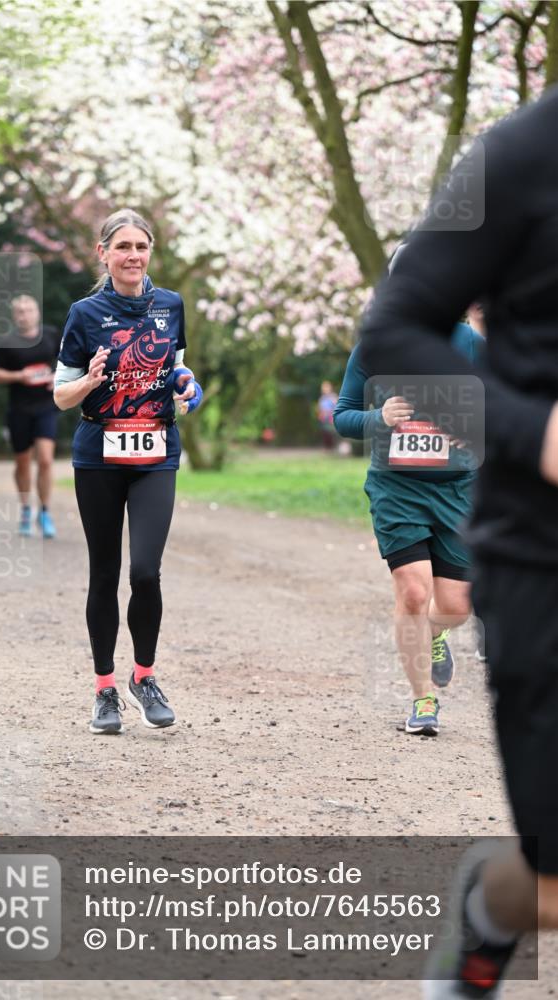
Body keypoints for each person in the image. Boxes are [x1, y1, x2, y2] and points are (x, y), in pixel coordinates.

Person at [358, 87, 558, 998]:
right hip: (535, 546)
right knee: (550, 886)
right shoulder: (520, 154)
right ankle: (494, 904)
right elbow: (393, 324)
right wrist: (532, 431)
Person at [53, 208, 202, 736]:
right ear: (104, 254)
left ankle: (145, 676)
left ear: (150, 251)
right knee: (104, 574)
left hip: (157, 452)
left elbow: (176, 366)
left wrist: (188, 386)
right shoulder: (84, 313)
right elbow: (61, 393)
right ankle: (104, 691)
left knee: (145, 572)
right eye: (123, 247)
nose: (133, 256)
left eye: (141, 246)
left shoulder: (170, 305)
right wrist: (90, 381)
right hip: (99, 454)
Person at [334, 252, 484, 737]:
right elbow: (343, 414)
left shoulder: (470, 344)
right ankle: (424, 700)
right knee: (414, 591)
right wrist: (380, 419)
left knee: (456, 605)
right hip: (397, 487)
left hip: (456, 487)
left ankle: (436, 634)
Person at [0, 295, 62, 538]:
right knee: (22, 462)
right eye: (20, 311)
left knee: (45, 460)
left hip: (46, 406)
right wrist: (19, 376)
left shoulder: (51, 334)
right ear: (14, 316)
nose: (25, 314)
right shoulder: (8, 342)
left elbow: (69, 360)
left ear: (37, 312)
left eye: (29, 310)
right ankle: (25, 510)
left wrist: (57, 377)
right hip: (19, 408)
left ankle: (44, 511)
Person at [316, 381, 339, 449]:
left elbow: (337, 406)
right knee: (325, 433)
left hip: (331, 418)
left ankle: (333, 446)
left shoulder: (333, 397)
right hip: (324, 418)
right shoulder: (322, 398)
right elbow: (320, 408)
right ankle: (327, 447)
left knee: (332, 432)